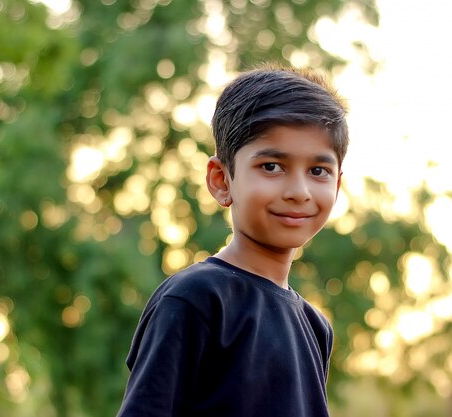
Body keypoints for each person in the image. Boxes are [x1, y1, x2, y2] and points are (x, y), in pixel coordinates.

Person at [117, 63, 349, 417]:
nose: (299, 192)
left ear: (336, 184)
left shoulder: (316, 327)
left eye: (318, 171)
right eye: (272, 166)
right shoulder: (195, 300)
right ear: (222, 180)